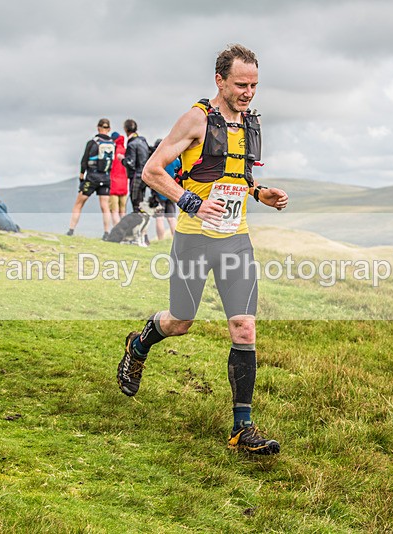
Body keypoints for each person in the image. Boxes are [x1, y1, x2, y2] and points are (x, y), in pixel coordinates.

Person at [116, 45, 289, 455]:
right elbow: (152, 171)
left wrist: (261, 193)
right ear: (220, 81)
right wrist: (192, 203)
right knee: (180, 321)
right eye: (241, 85)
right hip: (193, 238)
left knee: (244, 326)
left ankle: (241, 429)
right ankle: (138, 346)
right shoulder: (196, 119)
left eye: (254, 86)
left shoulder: (251, 123)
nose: (248, 93)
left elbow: (235, 177)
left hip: (235, 237)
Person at [67, 118, 114, 239]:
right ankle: (106, 232)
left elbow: (84, 161)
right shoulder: (112, 144)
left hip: (92, 177)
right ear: (109, 129)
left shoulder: (93, 142)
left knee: (79, 203)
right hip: (106, 177)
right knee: (105, 206)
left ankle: (71, 230)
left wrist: (82, 175)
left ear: (98, 127)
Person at [149, 144, 180, 240]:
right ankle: (175, 239)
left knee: (159, 218)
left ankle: (160, 240)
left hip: (159, 191)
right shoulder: (175, 160)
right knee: (171, 218)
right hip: (171, 191)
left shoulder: (158, 160)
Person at [122, 119, 150, 213]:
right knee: (141, 203)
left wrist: (122, 159)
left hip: (135, 177)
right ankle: (143, 226)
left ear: (125, 129)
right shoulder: (143, 141)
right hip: (144, 176)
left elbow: (131, 164)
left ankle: (138, 226)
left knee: (136, 204)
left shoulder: (132, 144)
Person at [108, 132, 128, 226]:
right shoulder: (126, 150)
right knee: (123, 211)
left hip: (113, 184)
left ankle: (117, 233)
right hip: (124, 184)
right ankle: (124, 232)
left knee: (114, 211)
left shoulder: (112, 151)